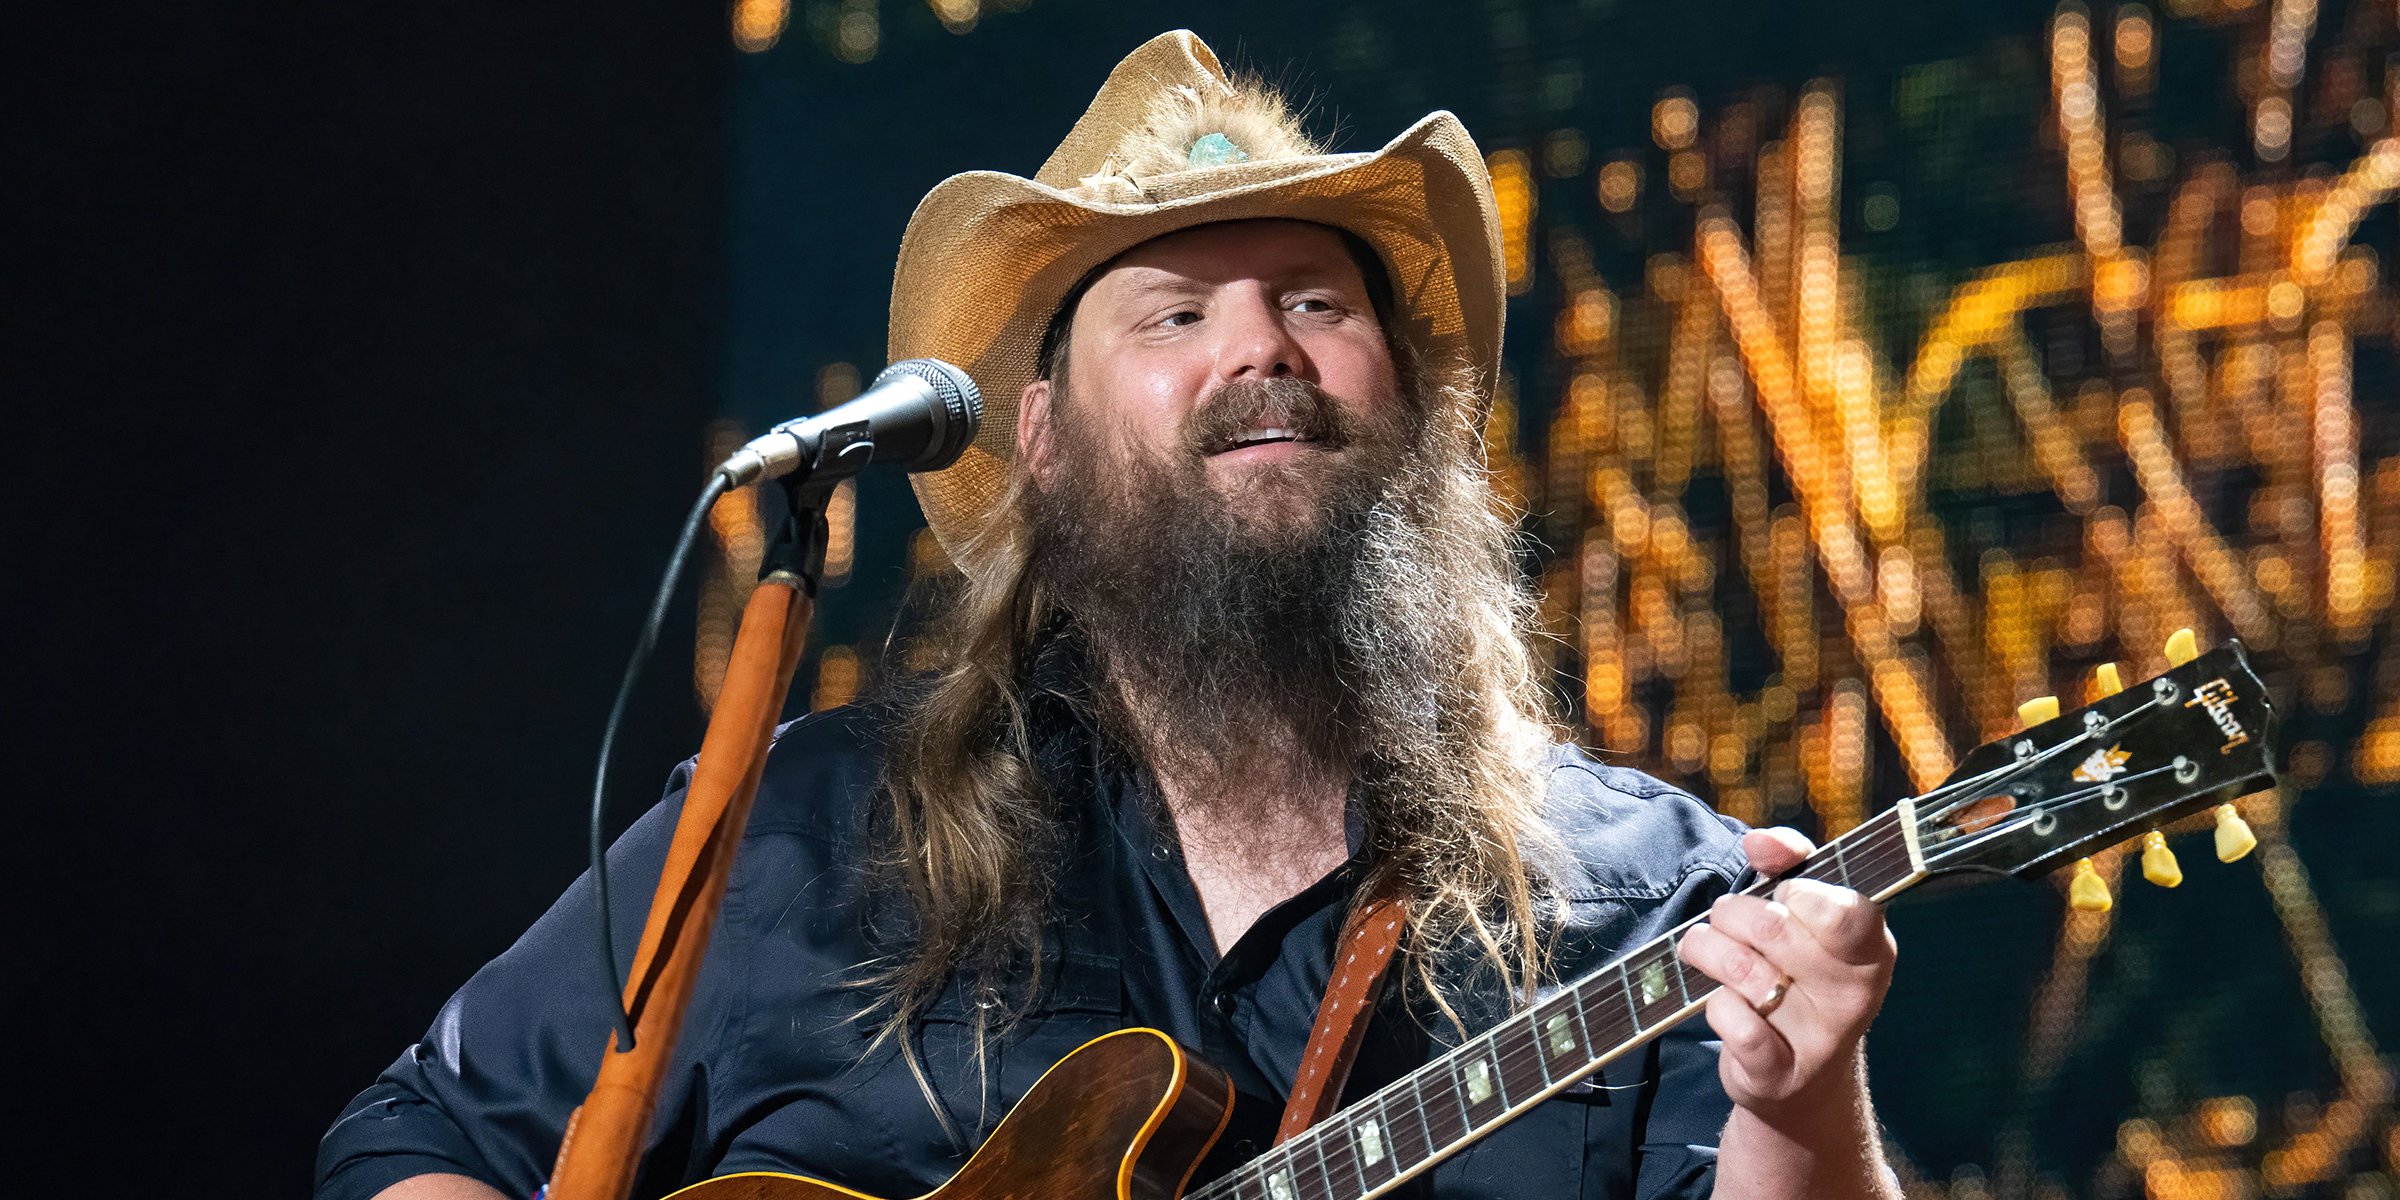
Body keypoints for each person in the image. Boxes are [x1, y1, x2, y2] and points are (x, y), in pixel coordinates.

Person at [318, 31, 1902, 1200]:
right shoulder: (804, 831)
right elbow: (419, 1139)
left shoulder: (1644, 896)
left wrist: (1802, 1110)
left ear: (1413, 411)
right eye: (1178, 312)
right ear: (1048, 441)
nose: (1260, 349)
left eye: (1317, 300)